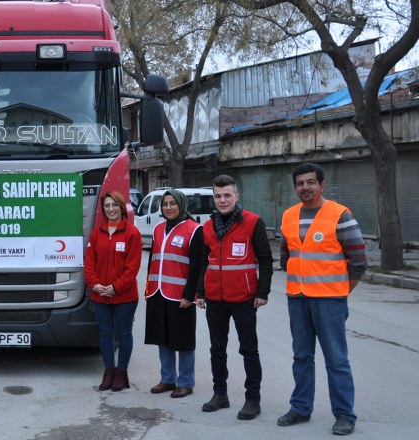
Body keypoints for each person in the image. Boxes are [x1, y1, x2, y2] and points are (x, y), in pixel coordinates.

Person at [277, 163, 367, 436]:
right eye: (300, 183)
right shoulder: (289, 215)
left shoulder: (340, 215)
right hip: (297, 299)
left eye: (311, 182)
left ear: (322, 185)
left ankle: (344, 415)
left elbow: (358, 262)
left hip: (330, 301)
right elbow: (286, 257)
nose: (305, 187)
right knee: (301, 356)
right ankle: (301, 407)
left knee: (336, 360)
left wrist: (341, 291)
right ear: (295, 187)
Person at [195, 174, 273, 420]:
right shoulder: (208, 226)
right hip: (215, 299)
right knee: (217, 349)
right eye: (217, 196)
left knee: (249, 350)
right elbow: (204, 263)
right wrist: (200, 291)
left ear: (236, 196)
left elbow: (266, 260)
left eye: (227, 195)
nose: (222, 200)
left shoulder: (252, 222)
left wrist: (263, 292)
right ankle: (220, 394)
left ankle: (253, 399)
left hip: (244, 298)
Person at [144, 189, 204, 398]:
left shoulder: (194, 230)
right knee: (163, 338)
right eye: (165, 204)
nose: (168, 208)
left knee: (183, 340)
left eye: (173, 203)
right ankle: (167, 379)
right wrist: (148, 291)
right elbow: (153, 261)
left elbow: (198, 266)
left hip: (181, 296)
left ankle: (186, 382)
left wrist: (191, 295)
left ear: (181, 205)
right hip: (158, 293)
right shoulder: (158, 229)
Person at [84, 190, 143, 392]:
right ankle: (109, 371)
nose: (111, 209)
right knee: (105, 334)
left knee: (124, 334)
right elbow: (89, 264)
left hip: (125, 297)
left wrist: (115, 287)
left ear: (121, 207)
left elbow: (132, 267)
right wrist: (96, 285)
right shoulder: (97, 233)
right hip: (100, 295)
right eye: (107, 206)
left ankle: (121, 373)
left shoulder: (132, 233)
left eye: (114, 205)